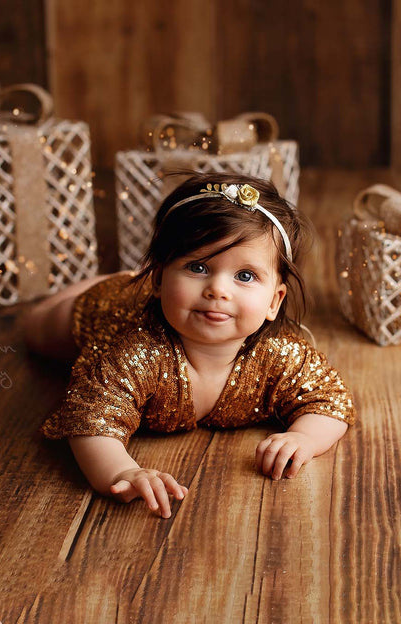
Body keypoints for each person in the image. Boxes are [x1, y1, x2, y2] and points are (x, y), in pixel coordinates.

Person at [25, 173, 355, 519]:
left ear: (275, 301)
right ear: (160, 278)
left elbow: (332, 401)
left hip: (146, 290)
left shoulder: (280, 354)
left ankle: (134, 277)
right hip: (105, 308)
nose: (218, 290)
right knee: (35, 328)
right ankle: (118, 281)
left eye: (245, 276)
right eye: (198, 267)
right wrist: (121, 471)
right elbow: (91, 419)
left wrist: (305, 438)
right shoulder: (134, 352)